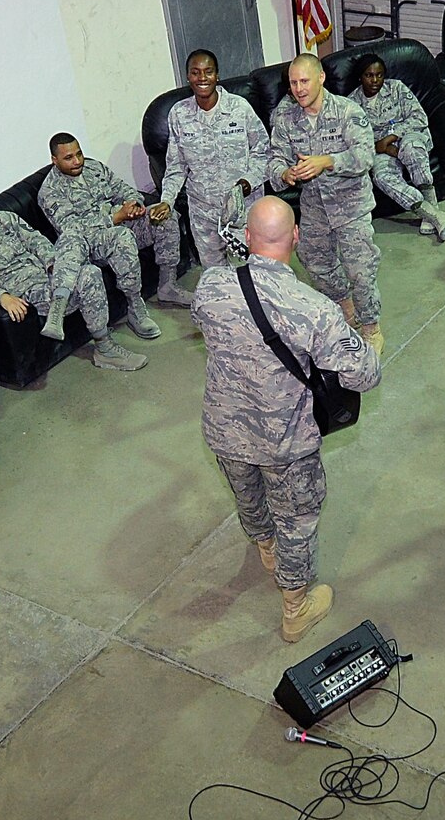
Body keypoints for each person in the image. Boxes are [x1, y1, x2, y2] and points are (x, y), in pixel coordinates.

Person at [192, 197, 382, 643]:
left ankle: (265, 547)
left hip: (224, 429)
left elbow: (208, 326)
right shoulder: (312, 307)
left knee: (247, 496)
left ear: (244, 238)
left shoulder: (211, 286)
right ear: (296, 238)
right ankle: (296, 608)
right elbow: (366, 374)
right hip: (285, 442)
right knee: (296, 519)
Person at [0, 177, 152, 371]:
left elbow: (37, 240)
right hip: (28, 291)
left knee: (72, 235)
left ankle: (60, 303)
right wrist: (1, 297)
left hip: (52, 276)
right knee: (89, 273)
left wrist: (53, 264)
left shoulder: (3, 219)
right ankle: (104, 348)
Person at [270, 53, 385, 356]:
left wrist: (328, 162)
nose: (298, 89)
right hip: (314, 209)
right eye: (293, 83)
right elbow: (274, 162)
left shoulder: (348, 111)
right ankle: (346, 309)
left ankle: (372, 328)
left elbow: (365, 157)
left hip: (351, 206)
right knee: (314, 262)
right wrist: (286, 173)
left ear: (320, 78)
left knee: (360, 270)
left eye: (304, 81)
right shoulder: (285, 118)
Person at [39, 132, 188, 321]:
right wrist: (114, 217)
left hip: (123, 221)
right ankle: (134, 306)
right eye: (68, 158)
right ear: (54, 160)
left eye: (79, 154)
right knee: (121, 237)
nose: (77, 161)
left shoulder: (93, 167)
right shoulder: (50, 191)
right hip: (91, 244)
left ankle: (168, 286)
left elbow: (122, 188)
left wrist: (134, 204)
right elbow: (72, 230)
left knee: (165, 216)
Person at [160, 49, 270, 270]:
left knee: (252, 272)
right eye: (195, 72)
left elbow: (264, 152)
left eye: (208, 72)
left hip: (243, 212)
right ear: (188, 77)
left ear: (217, 75)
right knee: (215, 277)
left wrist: (247, 182)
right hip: (204, 215)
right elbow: (176, 166)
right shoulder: (179, 114)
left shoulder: (239, 108)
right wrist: (166, 200)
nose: (202, 78)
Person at [350, 53, 445, 241]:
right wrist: (383, 148)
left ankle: (432, 207)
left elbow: (418, 118)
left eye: (379, 75)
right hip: (379, 150)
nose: (375, 80)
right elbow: (355, 141)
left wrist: (391, 138)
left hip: (409, 136)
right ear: (360, 77)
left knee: (412, 149)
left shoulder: (396, 88)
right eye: (369, 75)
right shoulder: (351, 105)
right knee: (381, 176)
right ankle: (433, 214)